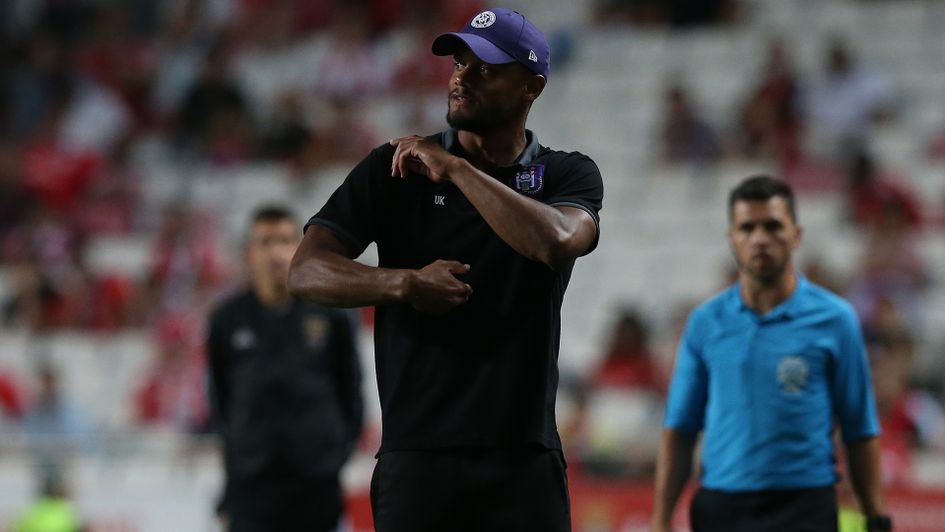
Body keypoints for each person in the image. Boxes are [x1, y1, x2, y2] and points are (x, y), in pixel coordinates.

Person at [288, 7, 603, 531]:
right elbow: (305, 272)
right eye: (459, 62)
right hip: (417, 459)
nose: (462, 76)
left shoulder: (564, 173)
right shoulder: (394, 168)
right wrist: (403, 283)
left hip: (523, 459)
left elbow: (558, 241)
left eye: (485, 66)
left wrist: (457, 170)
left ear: (533, 87)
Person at [651, 176, 891, 532]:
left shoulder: (836, 320)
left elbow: (860, 429)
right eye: (747, 227)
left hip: (805, 507)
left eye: (773, 226)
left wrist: (876, 517)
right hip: (722, 509)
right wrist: (661, 519)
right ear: (732, 239)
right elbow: (679, 430)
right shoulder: (705, 323)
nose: (760, 238)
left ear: (797, 235)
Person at [207, 206, 363, 532]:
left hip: (316, 482)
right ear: (248, 253)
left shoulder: (331, 314)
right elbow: (220, 396)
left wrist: (334, 456)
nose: (275, 252)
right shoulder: (227, 319)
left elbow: (351, 389)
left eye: (284, 240)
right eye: (264, 242)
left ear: (299, 248)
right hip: (252, 484)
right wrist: (239, 450)